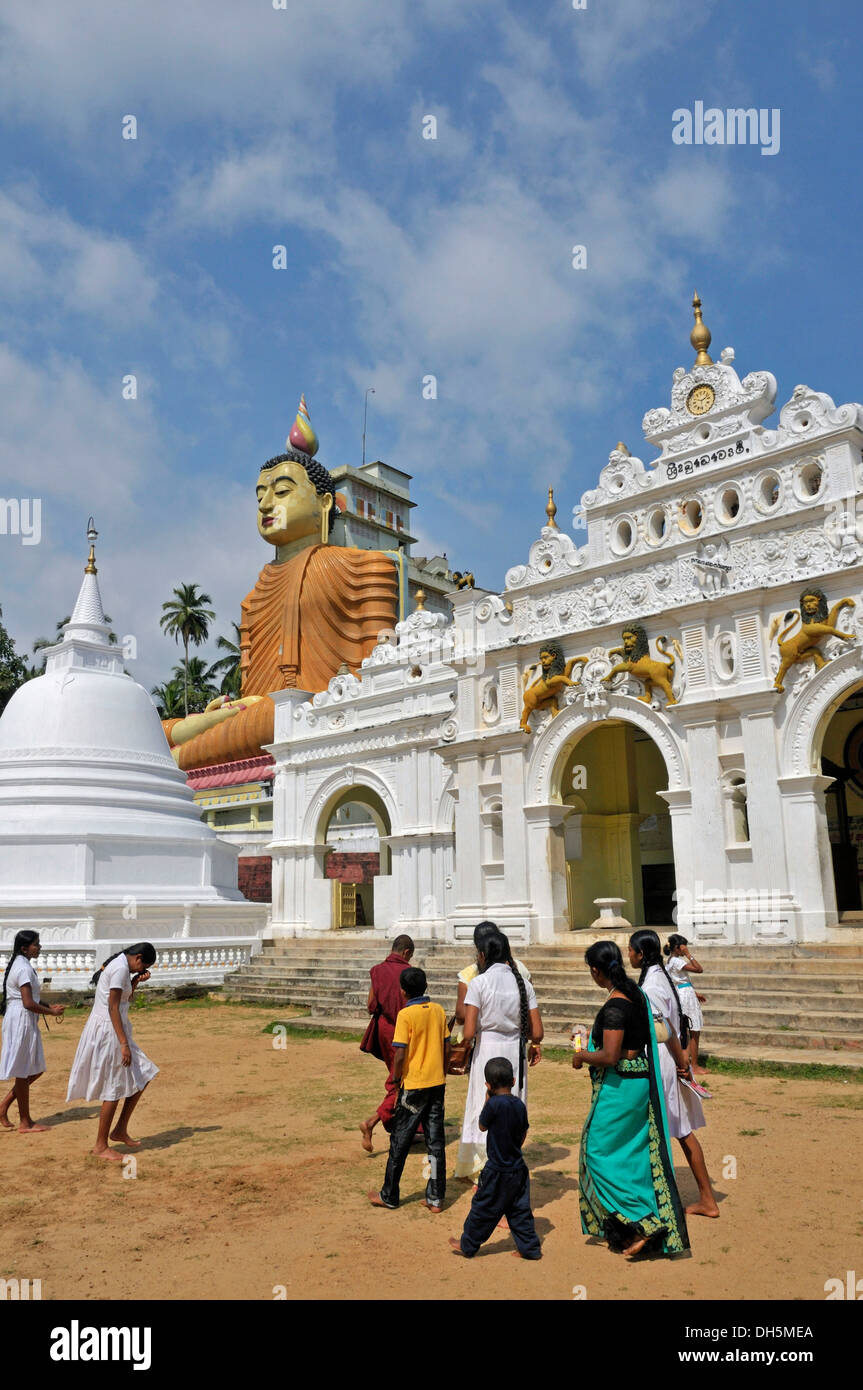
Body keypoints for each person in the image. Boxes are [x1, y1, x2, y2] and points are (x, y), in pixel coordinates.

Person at [572, 940, 689, 1259]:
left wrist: (582, 1054)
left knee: (595, 1151)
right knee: (635, 1155)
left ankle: (642, 1223)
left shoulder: (614, 1006)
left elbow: (610, 1056)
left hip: (621, 1086)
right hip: (640, 1082)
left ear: (596, 971)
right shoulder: (636, 994)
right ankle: (637, 1223)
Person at [629, 931, 719, 1219]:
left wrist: (682, 1062)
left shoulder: (654, 983)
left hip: (666, 1061)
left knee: (667, 1130)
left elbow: (662, 1030)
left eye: (630, 950)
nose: (628, 955)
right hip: (672, 1059)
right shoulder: (658, 976)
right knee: (680, 1131)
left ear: (640, 954)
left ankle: (663, 1200)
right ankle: (705, 1198)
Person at [456, 930, 543, 1179]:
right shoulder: (523, 984)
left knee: (483, 1105)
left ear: (482, 955)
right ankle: (508, 1159)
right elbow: (537, 1031)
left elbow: (469, 1030)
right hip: (514, 1052)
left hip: (487, 1051)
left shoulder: (479, 983)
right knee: (513, 1104)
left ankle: (484, 1167)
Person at [66, 943, 158, 1162]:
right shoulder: (119, 969)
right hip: (110, 1033)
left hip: (114, 1029)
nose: (140, 969)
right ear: (137, 958)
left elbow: (123, 1001)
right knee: (113, 1087)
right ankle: (100, 1145)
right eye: (142, 965)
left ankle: (119, 1129)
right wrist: (123, 1044)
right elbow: (113, 1007)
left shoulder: (123, 969)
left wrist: (135, 982)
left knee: (143, 1075)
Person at [368, 967, 450, 1211]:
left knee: (400, 1141)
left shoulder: (406, 1015)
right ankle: (436, 1197)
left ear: (403, 992)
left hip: (413, 1085)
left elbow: (401, 1052)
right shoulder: (438, 1010)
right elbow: (446, 1047)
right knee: (435, 1142)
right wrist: (442, 1071)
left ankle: (389, 1195)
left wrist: (395, 1078)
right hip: (436, 1083)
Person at [449, 1056, 541, 1260]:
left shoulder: (493, 1105)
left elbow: (482, 1126)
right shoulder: (519, 1105)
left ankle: (468, 1245)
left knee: (483, 1207)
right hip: (518, 1168)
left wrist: (487, 1098)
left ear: (488, 1085)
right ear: (514, 1081)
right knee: (520, 1211)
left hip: (497, 1170)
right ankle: (529, 1249)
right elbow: (524, 1131)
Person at [0, 931, 64, 1134]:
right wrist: (51, 1011)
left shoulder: (21, 965)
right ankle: (25, 1122)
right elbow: (27, 1003)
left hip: (20, 1018)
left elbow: (28, 998)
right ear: (24, 948)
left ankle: (3, 1107)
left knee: (33, 1068)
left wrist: (46, 1005)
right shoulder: (23, 968)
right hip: (21, 1020)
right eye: (36, 944)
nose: (40, 947)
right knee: (25, 1070)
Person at [358, 934, 415, 1151]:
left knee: (399, 1078)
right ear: (406, 953)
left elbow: (371, 1005)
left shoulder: (377, 970)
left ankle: (403, 1126)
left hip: (383, 1029)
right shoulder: (407, 973)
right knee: (401, 1080)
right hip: (401, 1031)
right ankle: (371, 1122)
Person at [665, 934, 708, 1073]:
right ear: (678, 948)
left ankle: (686, 1060)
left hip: (684, 993)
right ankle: (694, 1065)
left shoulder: (670, 961)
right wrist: (688, 955)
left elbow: (679, 982)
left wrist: (695, 993)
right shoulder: (677, 961)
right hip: (685, 996)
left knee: (687, 1030)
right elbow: (699, 969)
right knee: (694, 1031)